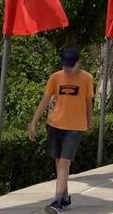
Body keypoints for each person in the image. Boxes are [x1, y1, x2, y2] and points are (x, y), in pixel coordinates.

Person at [27, 47, 94, 213]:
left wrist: (89, 121)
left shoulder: (87, 78)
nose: (67, 69)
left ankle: (56, 201)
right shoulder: (55, 77)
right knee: (59, 163)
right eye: (65, 65)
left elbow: (88, 103)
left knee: (64, 162)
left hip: (75, 127)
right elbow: (45, 100)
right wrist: (34, 122)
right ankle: (64, 198)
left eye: (71, 65)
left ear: (78, 62)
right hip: (55, 124)